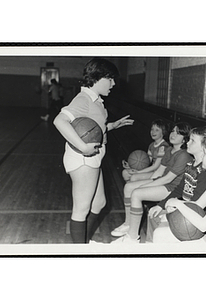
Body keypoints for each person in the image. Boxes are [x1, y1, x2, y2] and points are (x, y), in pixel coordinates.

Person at [53, 58, 134, 243]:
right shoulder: (84, 99)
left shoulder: (95, 100)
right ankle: (80, 251)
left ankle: (84, 242)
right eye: (111, 79)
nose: (113, 84)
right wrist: (82, 147)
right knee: (81, 209)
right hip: (83, 159)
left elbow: (93, 127)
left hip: (93, 158)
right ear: (99, 77)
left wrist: (112, 125)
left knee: (99, 203)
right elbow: (59, 121)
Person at [111, 122, 193, 243]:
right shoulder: (170, 150)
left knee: (137, 193)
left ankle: (132, 237)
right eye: (173, 131)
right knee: (129, 187)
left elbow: (167, 179)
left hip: (171, 189)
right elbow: (159, 172)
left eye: (178, 133)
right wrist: (146, 181)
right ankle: (128, 224)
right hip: (163, 183)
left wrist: (143, 187)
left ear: (184, 139)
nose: (173, 134)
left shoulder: (184, 155)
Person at [146, 126, 206, 242]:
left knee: (160, 223)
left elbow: (197, 203)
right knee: (153, 213)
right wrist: (161, 205)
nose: (187, 142)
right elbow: (179, 189)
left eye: (192, 141)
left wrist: (174, 208)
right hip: (184, 207)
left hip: (194, 216)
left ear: (204, 147)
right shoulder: (190, 164)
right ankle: (150, 249)